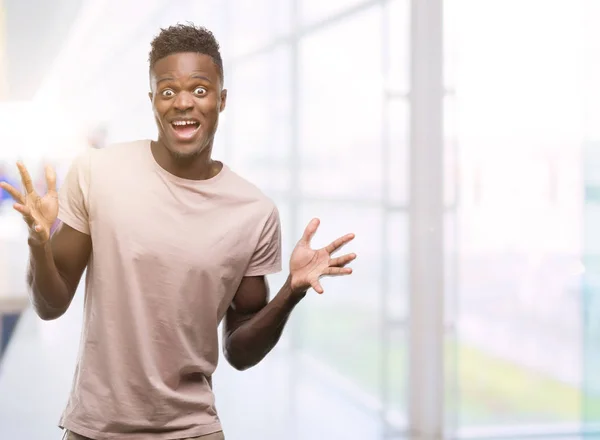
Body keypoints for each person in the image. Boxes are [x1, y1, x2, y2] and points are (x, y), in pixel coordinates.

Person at [0, 24, 356, 440]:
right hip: (94, 429)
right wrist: (39, 246)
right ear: (153, 101)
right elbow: (51, 305)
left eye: (200, 90)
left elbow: (239, 351)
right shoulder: (97, 172)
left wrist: (290, 290)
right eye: (168, 91)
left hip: (193, 430)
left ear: (221, 100)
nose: (183, 102)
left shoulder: (254, 212)